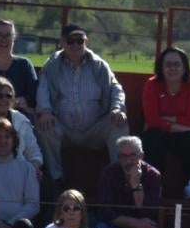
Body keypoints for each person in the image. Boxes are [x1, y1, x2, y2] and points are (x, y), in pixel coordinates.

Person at [37, 26, 127, 183]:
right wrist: (45, 111)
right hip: (64, 131)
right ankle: (55, 179)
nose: (75, 45)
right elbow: (43, 91)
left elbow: (116, 89)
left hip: (95, 130)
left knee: (118, 123)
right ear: (62, 43)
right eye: (70, 41)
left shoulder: (100, 66)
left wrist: (116, 108)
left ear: (86, 42)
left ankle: (119, 178)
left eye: (80, 41)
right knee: (44, 126)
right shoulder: (51, 66)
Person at [139, 46, 190, 196]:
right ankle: (155, 185)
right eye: (168, 64)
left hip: (182, 136)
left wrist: (165, 119)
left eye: (177, 64)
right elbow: (151, 120)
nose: (172, 68)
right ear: (161, 67)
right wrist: (184, 126)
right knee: (154, 136)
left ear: (184, 67)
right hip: (159, 134)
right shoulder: (152, 84)